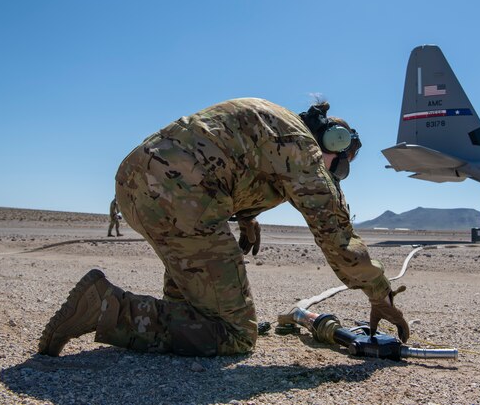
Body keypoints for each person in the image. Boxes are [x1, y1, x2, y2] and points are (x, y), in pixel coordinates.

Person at [38, 98, 409, 357]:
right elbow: (334, 232)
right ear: (334, 141)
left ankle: (175, 321)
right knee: (234, 334)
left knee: (192, 307)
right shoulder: (302, 147)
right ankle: (105, 307)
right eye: (339, 164)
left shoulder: (276, 124)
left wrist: (247, 219)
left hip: (136, 186)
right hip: (184, 196)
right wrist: (379, 292)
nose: (334, 172)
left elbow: (234, 158)